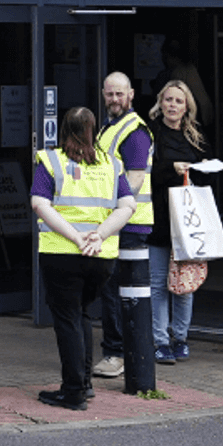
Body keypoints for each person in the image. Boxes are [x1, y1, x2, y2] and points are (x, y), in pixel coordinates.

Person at [30, 105, 136, 410]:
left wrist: (76, 238)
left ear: (64, 128)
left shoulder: (51, 160)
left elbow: (39, 203)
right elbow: (127, 206)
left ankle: (73, 391)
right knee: (82, 314)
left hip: (62, 253)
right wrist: (99, 235)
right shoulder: (111, 164)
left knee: (67, 319)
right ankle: (85, 384)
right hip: (101, 256)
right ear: (93, 130)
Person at [93, 71, 153, 379]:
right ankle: (121, 351)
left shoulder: (134, 131)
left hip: (128, 224)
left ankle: (117, 354)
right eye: (110, 94)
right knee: (113, 290)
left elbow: (136, 178)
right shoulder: (110, 127)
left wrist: (114, 216)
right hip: (118, 223)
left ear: (131, 94)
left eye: (120, 94)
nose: (114, 99)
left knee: (116, 291)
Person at [146, 80, 208, 363]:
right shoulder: (150, 133)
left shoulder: (195, 135)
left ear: (187, 107)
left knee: (185, 282)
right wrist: (171, 169)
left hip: (188, 220)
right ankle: (160, 341)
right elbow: (145, 172)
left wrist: (199, 170)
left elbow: (207, 171)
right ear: (161, 103)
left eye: (178, 101)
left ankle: (180, 338)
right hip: (159, 216)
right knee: (158, 283)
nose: (172, 105)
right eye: (168, 99)